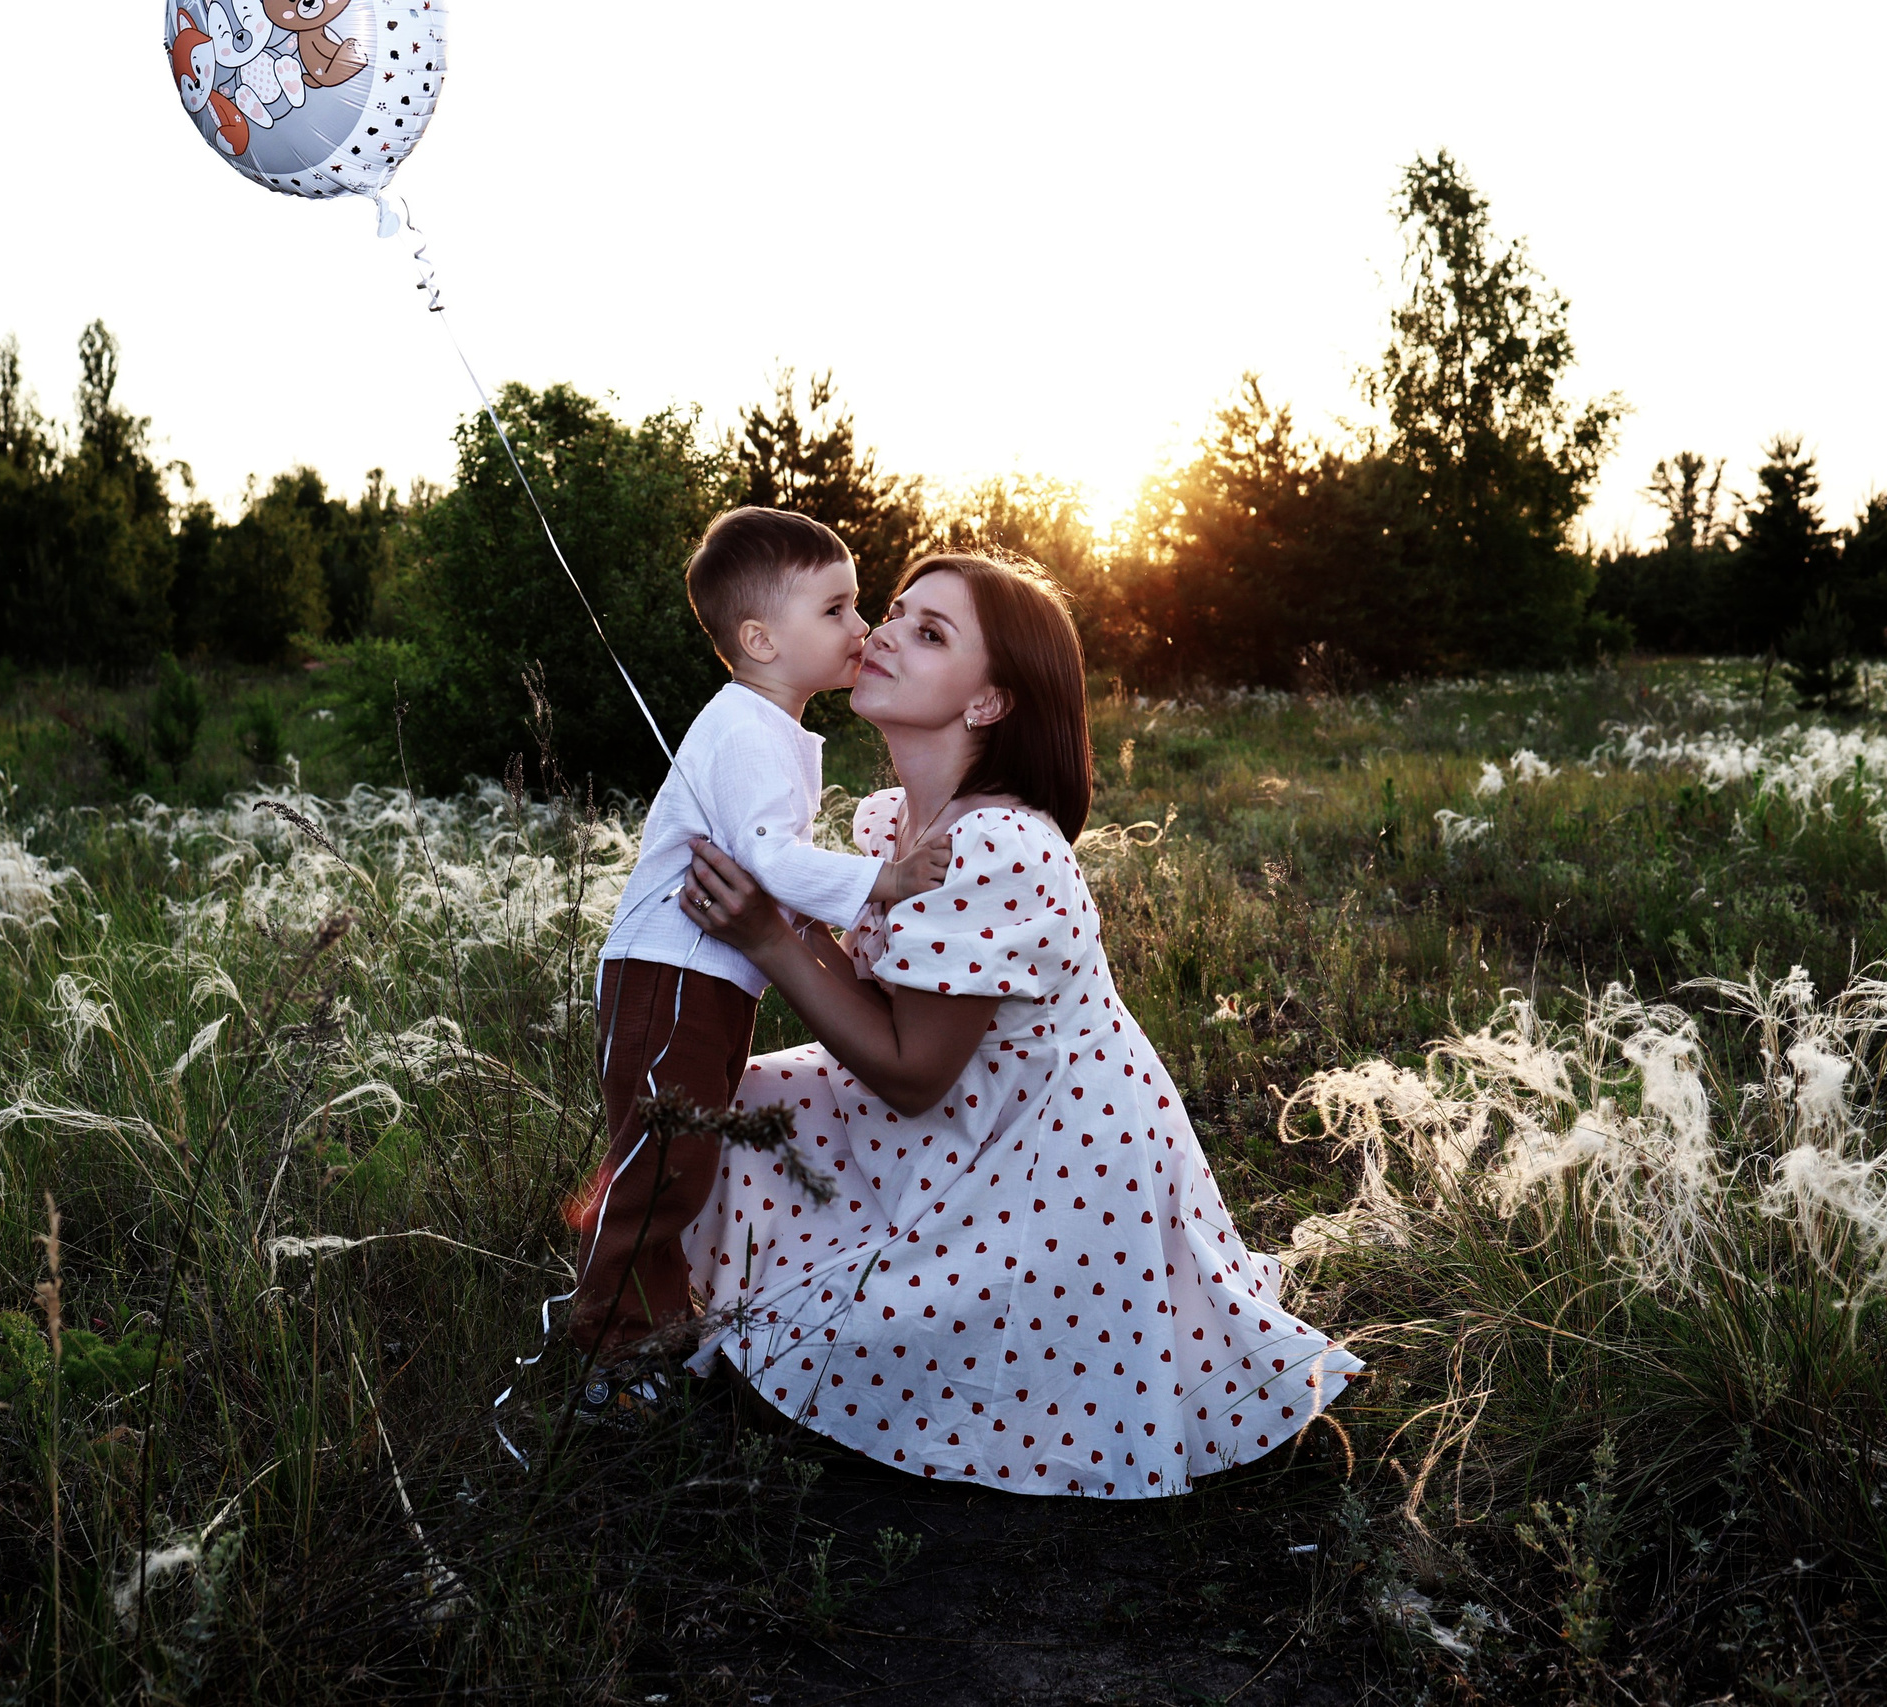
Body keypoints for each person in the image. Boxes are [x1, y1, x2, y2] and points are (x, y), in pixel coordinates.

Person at [677, 551, 1364, 1496]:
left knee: (828, 1343)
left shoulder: (996, 844)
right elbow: (887, 1019)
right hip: (969, 1124)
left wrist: (770, 934)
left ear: (990, 701)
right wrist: (784, 921)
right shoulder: (904, 824)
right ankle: (691, 1314)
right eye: (895, 612)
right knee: (725, 1108)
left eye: (930, 633)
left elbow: (913, 1072)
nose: (883, 634)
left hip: (1045, 1177)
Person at [572, 508, 951, 1412]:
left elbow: (770, 872)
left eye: (856, 604)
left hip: (702, 976)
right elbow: (772, 861)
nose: (863, 626)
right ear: (760, 640)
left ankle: (658, 1331)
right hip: (672, 974)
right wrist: (889, 880)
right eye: (836, 609)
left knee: (685, 1158)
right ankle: (607, 1350)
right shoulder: (746, 728)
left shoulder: (768, 726)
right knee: (663, 1162)